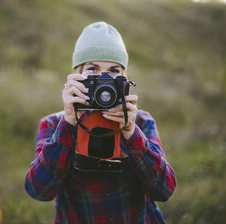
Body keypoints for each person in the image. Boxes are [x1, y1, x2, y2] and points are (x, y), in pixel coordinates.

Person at [25, 21, 176, 224]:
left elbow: (164, 190)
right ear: (76, 76)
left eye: (113, 71)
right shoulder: (54, 124)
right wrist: (69, 123)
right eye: (92, 70)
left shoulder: (140, 121)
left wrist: (131, 132)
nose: (104, 80)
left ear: (124, 79)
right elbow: (39, 191)